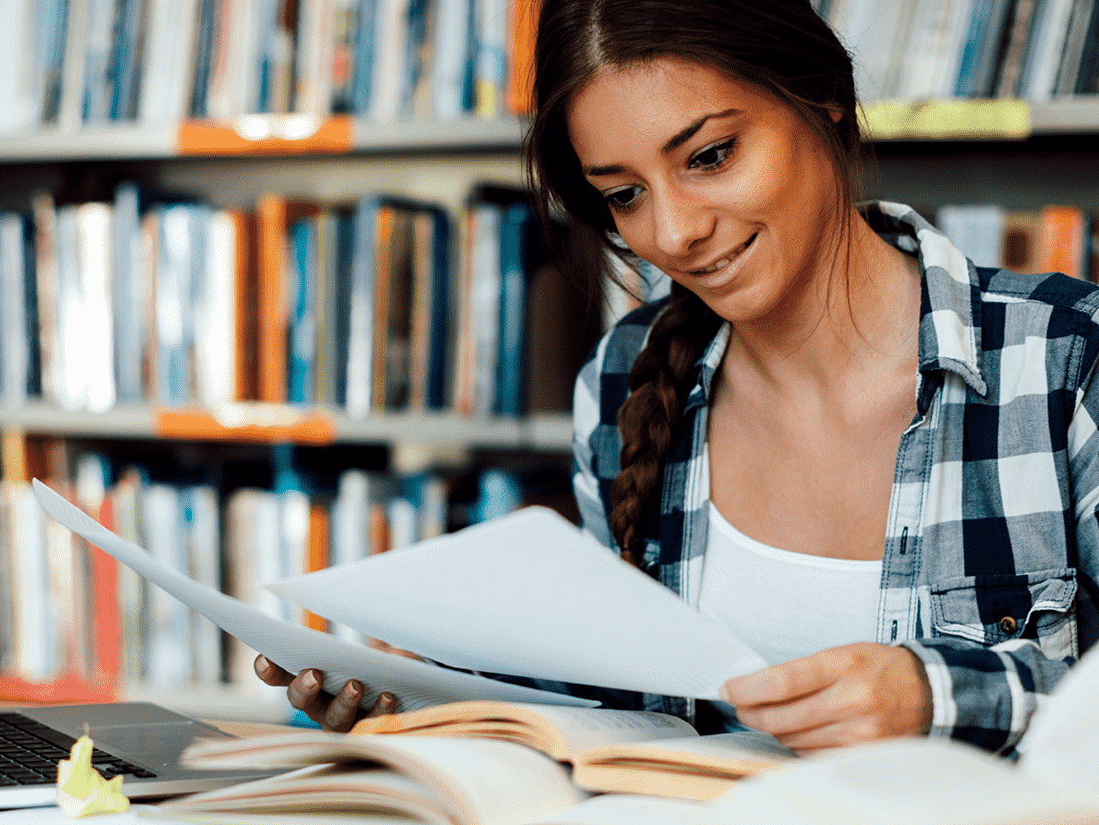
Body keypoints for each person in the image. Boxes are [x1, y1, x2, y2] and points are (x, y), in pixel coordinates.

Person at [256, 0, 1097, 756]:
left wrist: (937, 698)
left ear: (822, 95)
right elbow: (607, 718)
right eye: (625, 194)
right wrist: (420, 707)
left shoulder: (1065, 359)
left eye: (711, 154)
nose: (675, 231)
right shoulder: (622, 380)